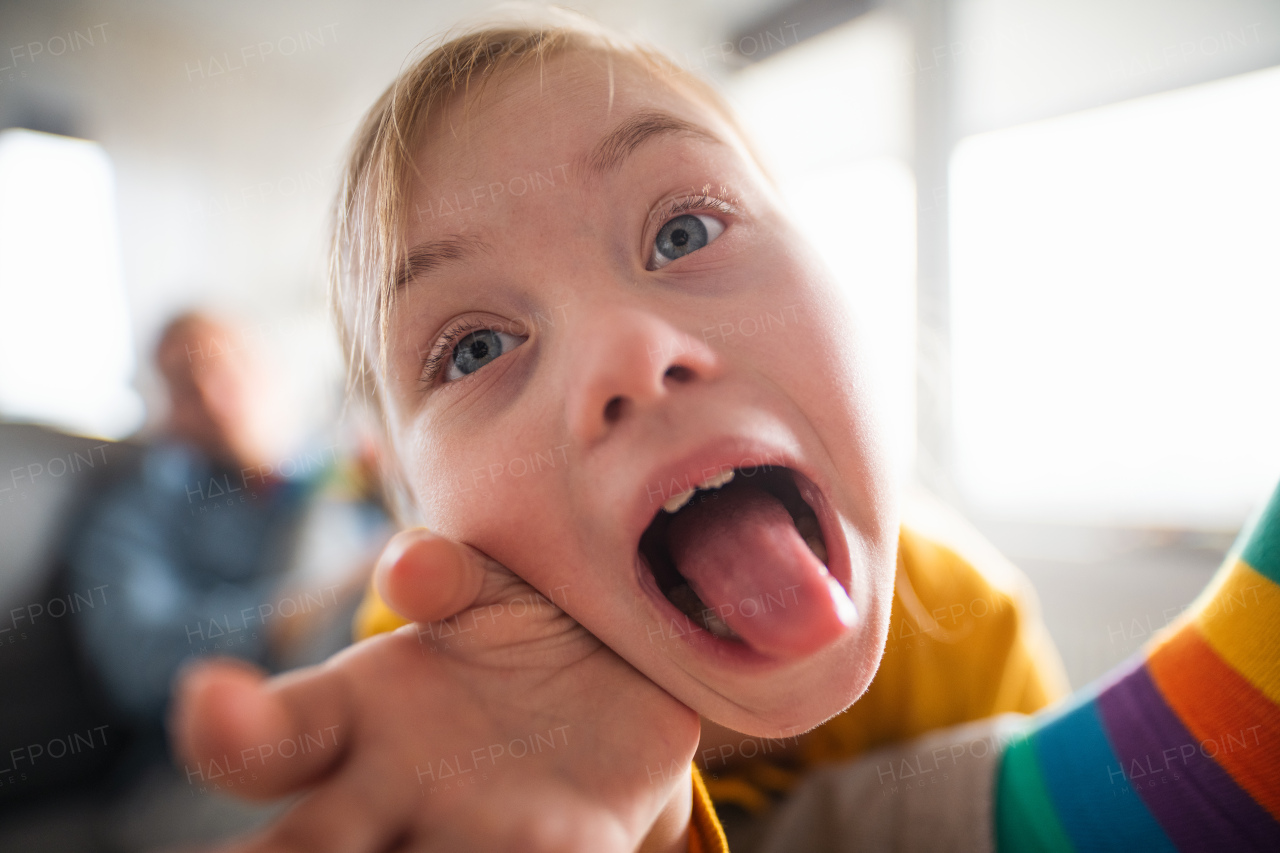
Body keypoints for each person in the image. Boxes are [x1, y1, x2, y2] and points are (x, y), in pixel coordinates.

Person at [170, 11, 1279, 852]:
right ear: (411, 509)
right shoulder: (441, 670)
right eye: (473, 349)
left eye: (685, 227)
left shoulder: (968, 617)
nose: (626, 351)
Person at [67, 313, 372, 765]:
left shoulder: (338, 473)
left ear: (270, 374)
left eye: (227, 369)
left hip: (363, 696)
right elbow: (140, 663)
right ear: (159, 408)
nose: (212, 397)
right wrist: (294, 614)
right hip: (214, 760)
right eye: (184, 385)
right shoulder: (135, 513)